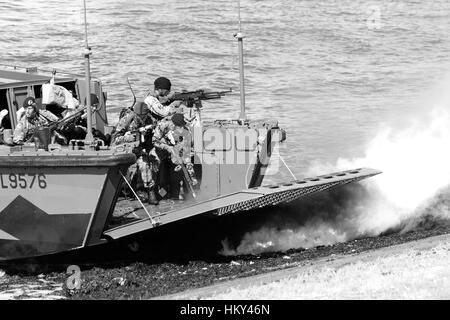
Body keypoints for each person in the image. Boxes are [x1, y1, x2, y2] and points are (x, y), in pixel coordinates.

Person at [111, 101, 160, 205]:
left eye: (144, 115)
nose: (142, 118)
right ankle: (135, 189)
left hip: (143, 148)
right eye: (139, 116)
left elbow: (157, 133)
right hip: (127, 149)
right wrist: (128, 137)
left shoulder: (151, 120)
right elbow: (115, 138)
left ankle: (150, 190)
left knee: (146, 165)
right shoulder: (127, 120)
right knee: (135, 168)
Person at [152, 113, 196, 200]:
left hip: (175, 155)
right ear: (174, 124)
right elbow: (154, 141)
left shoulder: (186, 131)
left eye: (182, 125)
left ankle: (175, 195)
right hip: (160, 152)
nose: (182, 128)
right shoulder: (164, 126)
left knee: (177, 176)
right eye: (179, 126)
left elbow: (187, 150)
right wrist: (167, 147)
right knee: (161, 179)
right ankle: (160, 195)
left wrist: (187, 163)